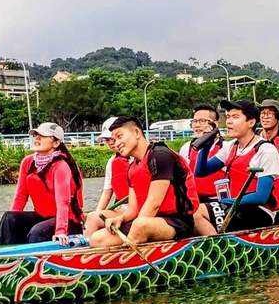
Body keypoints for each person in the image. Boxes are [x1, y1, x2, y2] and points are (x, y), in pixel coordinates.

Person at [91, 117, 196, 246]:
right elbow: (133, 209)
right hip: (146, 222)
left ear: (136, 132)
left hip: (177, 222)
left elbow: (154, 204)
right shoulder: (132, 168)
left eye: (120, 136)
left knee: (140, 225)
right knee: (97, 239)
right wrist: (120, 218)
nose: (117, 143)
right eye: (114, 140)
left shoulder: (160, 156)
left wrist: (133, 230)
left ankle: (128, 258)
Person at [196, 98, 279, 230]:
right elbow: (201, 172)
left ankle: (220, 245)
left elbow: (261, 196)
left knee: (198, 213)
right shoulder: (230, 146)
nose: (229, 121)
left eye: (235, 117)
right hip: (236, 206)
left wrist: (229, 202)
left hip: (259, 211)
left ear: (251, 122)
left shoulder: (266, 150)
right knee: (191, 211)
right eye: (228, 116)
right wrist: (205, 147)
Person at [0, 122, 85, 245]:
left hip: (67, 221)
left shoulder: (61, 166)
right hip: (42, 216)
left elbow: (62, 202)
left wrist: (60, 231)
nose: (37, 138)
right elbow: (20, 197)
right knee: (9, 217)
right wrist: (11, 227)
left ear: (56, 143)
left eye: (42, 135)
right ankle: (4, 253)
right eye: (36, 135)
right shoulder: (27, 162)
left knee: (38, 232)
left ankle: (31, 259)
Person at [178, 103, 227, 235]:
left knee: (195, 215)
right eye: (194, 121)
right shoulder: (186, 148)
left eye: (202, 121)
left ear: (215, 124)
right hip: (194, 201)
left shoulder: (226, 147)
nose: (197, 125)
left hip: (218, 201)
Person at [84, 117, 131, 238]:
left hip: (136, 210)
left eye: (112, 138)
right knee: (92, 218)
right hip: (122, 208)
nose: (110, 142)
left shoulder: (138, 157)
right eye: (106, 139)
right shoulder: (112, 162)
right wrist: (97, 213)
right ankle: (86, 247)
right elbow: (107, 193)